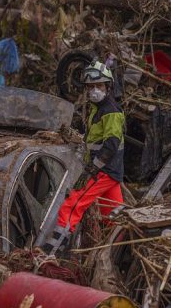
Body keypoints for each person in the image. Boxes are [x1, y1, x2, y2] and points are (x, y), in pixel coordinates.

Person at [42, 61, 125, 255]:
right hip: (110, 171)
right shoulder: (98, 108)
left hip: (104, 170)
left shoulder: (111, 111)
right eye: (91, 87)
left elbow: (111, 145)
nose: (95, 91)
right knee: (113, 215)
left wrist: (92, 169)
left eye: (99, 86)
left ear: (108, 87)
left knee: (72, 205)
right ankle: (119, 253)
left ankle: (50, 254)